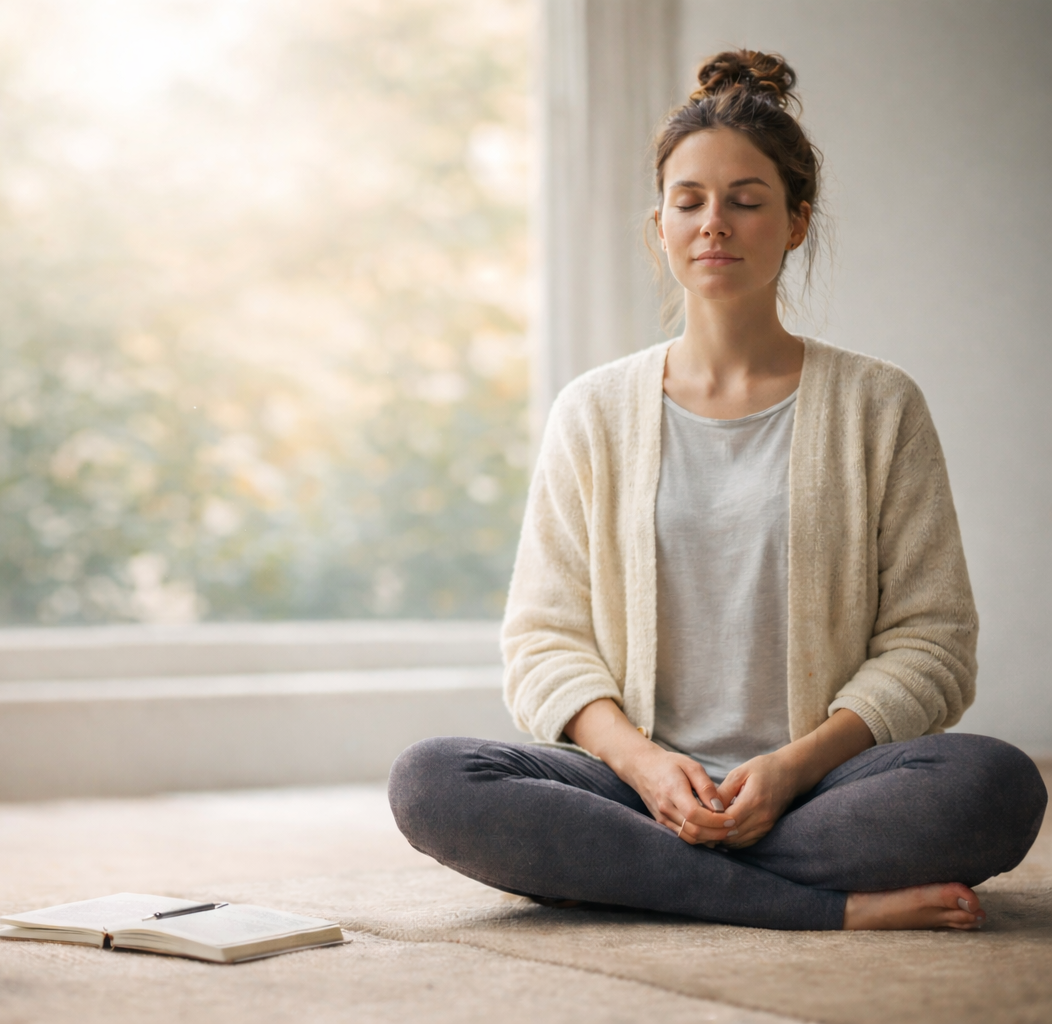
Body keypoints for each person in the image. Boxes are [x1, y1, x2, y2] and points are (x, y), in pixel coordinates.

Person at [387, 49, 1046, 931]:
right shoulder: (593, 411)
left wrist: (791, 770)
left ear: (798, 220)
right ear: (658, 223)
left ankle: (637, 878)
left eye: (747, 200)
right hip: (632, 788)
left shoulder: (880, 405)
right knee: (433, 780)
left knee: (994, 785)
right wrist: (650, 770)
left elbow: (934, 642)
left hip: (819, 789)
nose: (715, 225)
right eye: (689, 202)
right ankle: (828, 908)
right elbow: (543, 641)